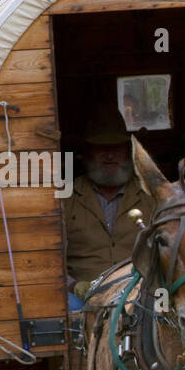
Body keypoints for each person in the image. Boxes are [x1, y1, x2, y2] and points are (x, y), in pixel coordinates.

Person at [63, 104, 150, 310]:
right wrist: (74, 286)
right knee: (65, 307)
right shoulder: (65, 198)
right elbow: (48, 258)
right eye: (101, 148)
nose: (109, 155)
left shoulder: (150, 196)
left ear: (128, 152)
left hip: (141, 293)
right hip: (84, 298)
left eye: (116, 148)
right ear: (86, 153)